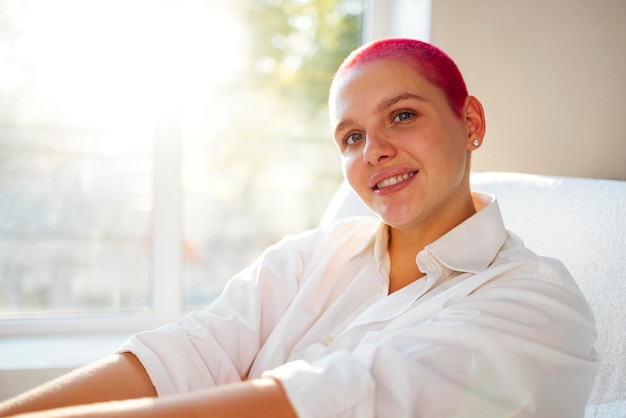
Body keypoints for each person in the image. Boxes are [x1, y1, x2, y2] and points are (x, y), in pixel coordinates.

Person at [0, 38, 598, 418]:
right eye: (352, 137)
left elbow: (353, 397)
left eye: (403, 115)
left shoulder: (538, 303)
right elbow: (187, 352)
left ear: (470, 120)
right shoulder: (310, 256)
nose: (374, 152)